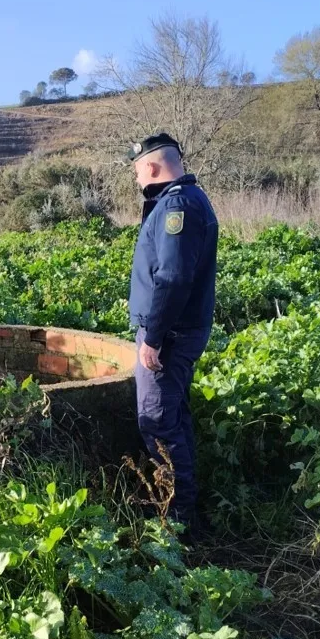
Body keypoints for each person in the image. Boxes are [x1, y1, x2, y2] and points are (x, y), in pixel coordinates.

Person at [126, 133, 218, 536]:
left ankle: (178, 522)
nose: (135, 179)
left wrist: (154, 337)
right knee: (173, 420)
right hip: (178, 331)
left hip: (172, 335)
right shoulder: (186, 200)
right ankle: (186, 510)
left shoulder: (177, 205)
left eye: (135, 171)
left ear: (149, 166)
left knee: (159, 422)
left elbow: (174, 278)